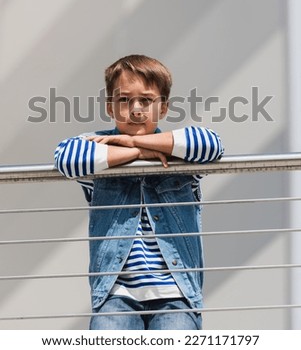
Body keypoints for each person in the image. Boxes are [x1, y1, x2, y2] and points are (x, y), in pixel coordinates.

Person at [54, 54, 224, 330]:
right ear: (110, 107)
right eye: (124, 100)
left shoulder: (178, 151)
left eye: (146, 100)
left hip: (176, 296)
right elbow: (66, 156)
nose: (136, 109)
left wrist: (135, 140)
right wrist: (137, 151)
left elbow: (211, 143)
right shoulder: (100, 145)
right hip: (116, 297)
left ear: (164, 108)